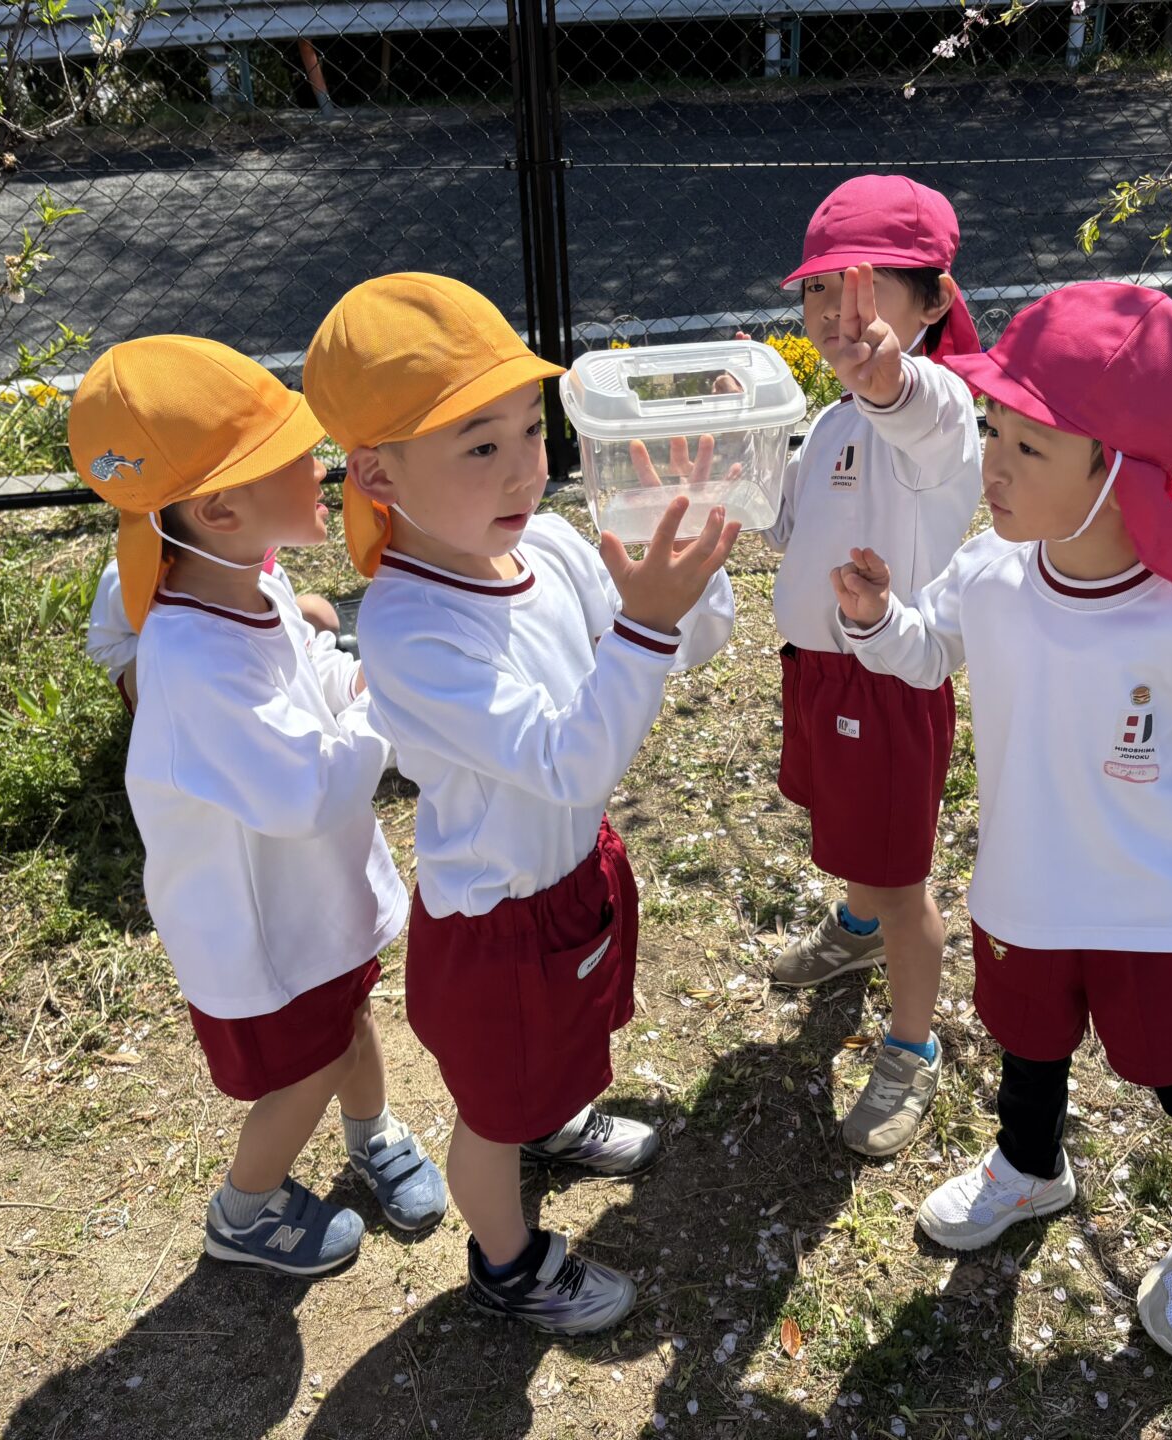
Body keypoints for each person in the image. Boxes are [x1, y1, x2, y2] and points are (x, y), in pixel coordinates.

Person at [830, 282, 1172, 1358]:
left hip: (1158, 916)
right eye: (993, 430)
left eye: (1028, 448)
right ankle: (1030, 1168)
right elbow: (927, 650)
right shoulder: (991, 573)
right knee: (1027, 1046)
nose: (991, 465)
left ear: (1117, 472)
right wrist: (876, 620)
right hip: (1025, 894)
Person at [303, 273, 738, 1334]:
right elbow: (566, 760)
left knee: (561, 1052)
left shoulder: (541, 547)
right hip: (497, 923)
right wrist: (645, 625)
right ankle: (507, 1263)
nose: (525, 466)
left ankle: (554, 1120)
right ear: (379, 474)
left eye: (531, 429)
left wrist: (685, 560)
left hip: (572, 872)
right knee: (490, 1114)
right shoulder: (409, 627)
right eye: (479, 445)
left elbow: (684, 646)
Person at [73, 335, 446, 1276]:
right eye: (294, 454)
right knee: (308, 1064)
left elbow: (312, 670)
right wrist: (389, 708)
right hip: (260, 925)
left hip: (306, 896)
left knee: (350, 1013)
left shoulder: (252, 581)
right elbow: (303, 791)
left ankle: (372, 1132)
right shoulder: (193, 658)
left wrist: (360, 680)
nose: (320, 466)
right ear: (219, 508)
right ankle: (244, 1210)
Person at [762, 176, 985, 1160]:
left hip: (890, 683)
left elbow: (922, 411)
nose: (831, 312)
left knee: (902, 882)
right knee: (849, 831)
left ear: (933, 301)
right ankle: (855, 931)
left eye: (861, 289)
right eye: (817, 289)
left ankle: (910, 1044)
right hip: (819, 673)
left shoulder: (937, 410)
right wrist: (732, 464)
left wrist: (889, 380)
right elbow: (789, 524)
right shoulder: (832, 420)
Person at [84, 553, 341, 712]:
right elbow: (102, 647)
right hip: (176, 687)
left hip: (252, 677)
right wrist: (169, 645)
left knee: (318, 613)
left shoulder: (262, 565)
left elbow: (289, 636)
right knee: (151, 664)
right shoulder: (130, 575)